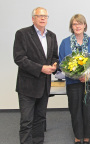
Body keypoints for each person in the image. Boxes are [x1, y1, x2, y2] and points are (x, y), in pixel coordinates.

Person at [13, 7, 58, 144]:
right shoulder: (22, 34)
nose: (43, 18)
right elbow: (19, 58)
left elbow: (54, 57)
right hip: (27, 86)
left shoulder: (52, 35)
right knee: (27, 121)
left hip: (44, 85)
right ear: (33, 18)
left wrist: (55, 65)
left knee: (40, 119)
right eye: (39, 16)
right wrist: (41, 68)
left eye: (45, 16)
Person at [59, 14, 90, 144]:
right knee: (75, 109)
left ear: (84, 25)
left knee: (87, 109)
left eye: (80, 23)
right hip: (72, 82)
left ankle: (87, 135)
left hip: (89, 82)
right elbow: (62, 62)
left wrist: (89, 74)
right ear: (71, 26)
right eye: (75, 24)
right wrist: (74, 74)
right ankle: (77, 135)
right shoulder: (65, 42)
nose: (78, 26)